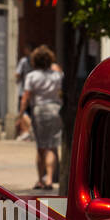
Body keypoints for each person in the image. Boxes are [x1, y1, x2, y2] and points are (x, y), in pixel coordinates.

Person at [20, 45, 63, 190]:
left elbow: (26, 97)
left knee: (41, 147)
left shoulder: (32, 76)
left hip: (39, 110)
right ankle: (50, 178)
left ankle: (40, 179)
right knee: (52, 145)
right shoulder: (57, 75)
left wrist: (20, 115)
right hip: (55, 109)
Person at [14, 42, 34, 140]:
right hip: (35, 91)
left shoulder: (23, 61)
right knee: (30, 111)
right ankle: (28, 131)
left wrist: (17, 80)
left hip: (25, 89)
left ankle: (29, 129)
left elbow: (17, 74)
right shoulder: (36, 61)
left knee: (23, 111)